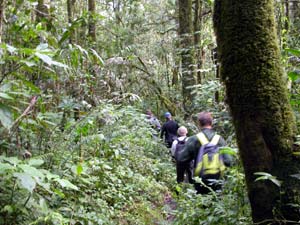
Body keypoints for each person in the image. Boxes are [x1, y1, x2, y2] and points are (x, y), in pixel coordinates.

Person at [177, 112, 232, 194]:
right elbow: (228, 161)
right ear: (211, 122)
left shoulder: (194, 139)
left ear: (199, 123)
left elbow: (181, 159)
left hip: (200, 181)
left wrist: (180, 180)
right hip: (218, 180)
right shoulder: (220, 140)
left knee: (201, 203)